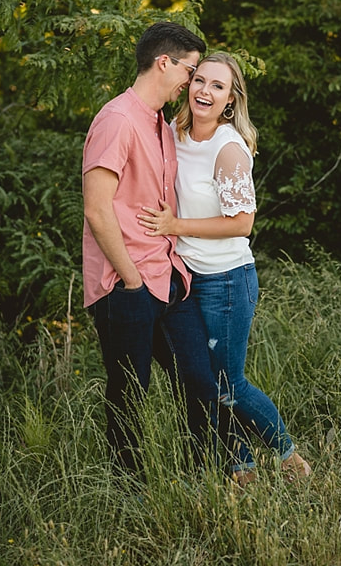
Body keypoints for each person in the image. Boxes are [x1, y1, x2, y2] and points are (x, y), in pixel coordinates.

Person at [137, 51, 312, 485]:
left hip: (227, 281)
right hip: (184, 279)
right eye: (200, 81)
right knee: (202, 380)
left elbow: (243, 222)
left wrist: (176, 225)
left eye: (218, 86)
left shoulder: (227, 147)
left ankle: (288, 456)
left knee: (228, 384)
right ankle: (241, 467)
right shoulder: (174, 133)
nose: (205, 91)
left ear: (231, 100)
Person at [82, 21, 219, 476]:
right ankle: (130, 493)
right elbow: (98, 210)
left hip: (169, 278)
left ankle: (203, 477)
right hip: (127, 285)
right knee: (129, 393)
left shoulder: (159, 123)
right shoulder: (117, 119)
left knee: (199, 378)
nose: (192, 81)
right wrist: (132, 279)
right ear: (165, 62)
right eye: (191, 70)